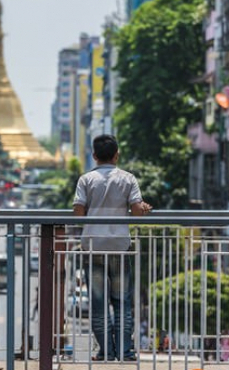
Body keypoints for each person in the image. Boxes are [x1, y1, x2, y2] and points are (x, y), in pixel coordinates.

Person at [72, 134, 151, 361]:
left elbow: (78, 212)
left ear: (94, 156)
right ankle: (125, 351)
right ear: (117, 155)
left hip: (93, 246)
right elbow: (136, 211)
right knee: (122, 301)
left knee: (99, 303)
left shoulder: (86, 179)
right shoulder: (128, 179)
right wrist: (143, 207)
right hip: (118, 246)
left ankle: (106, 351)